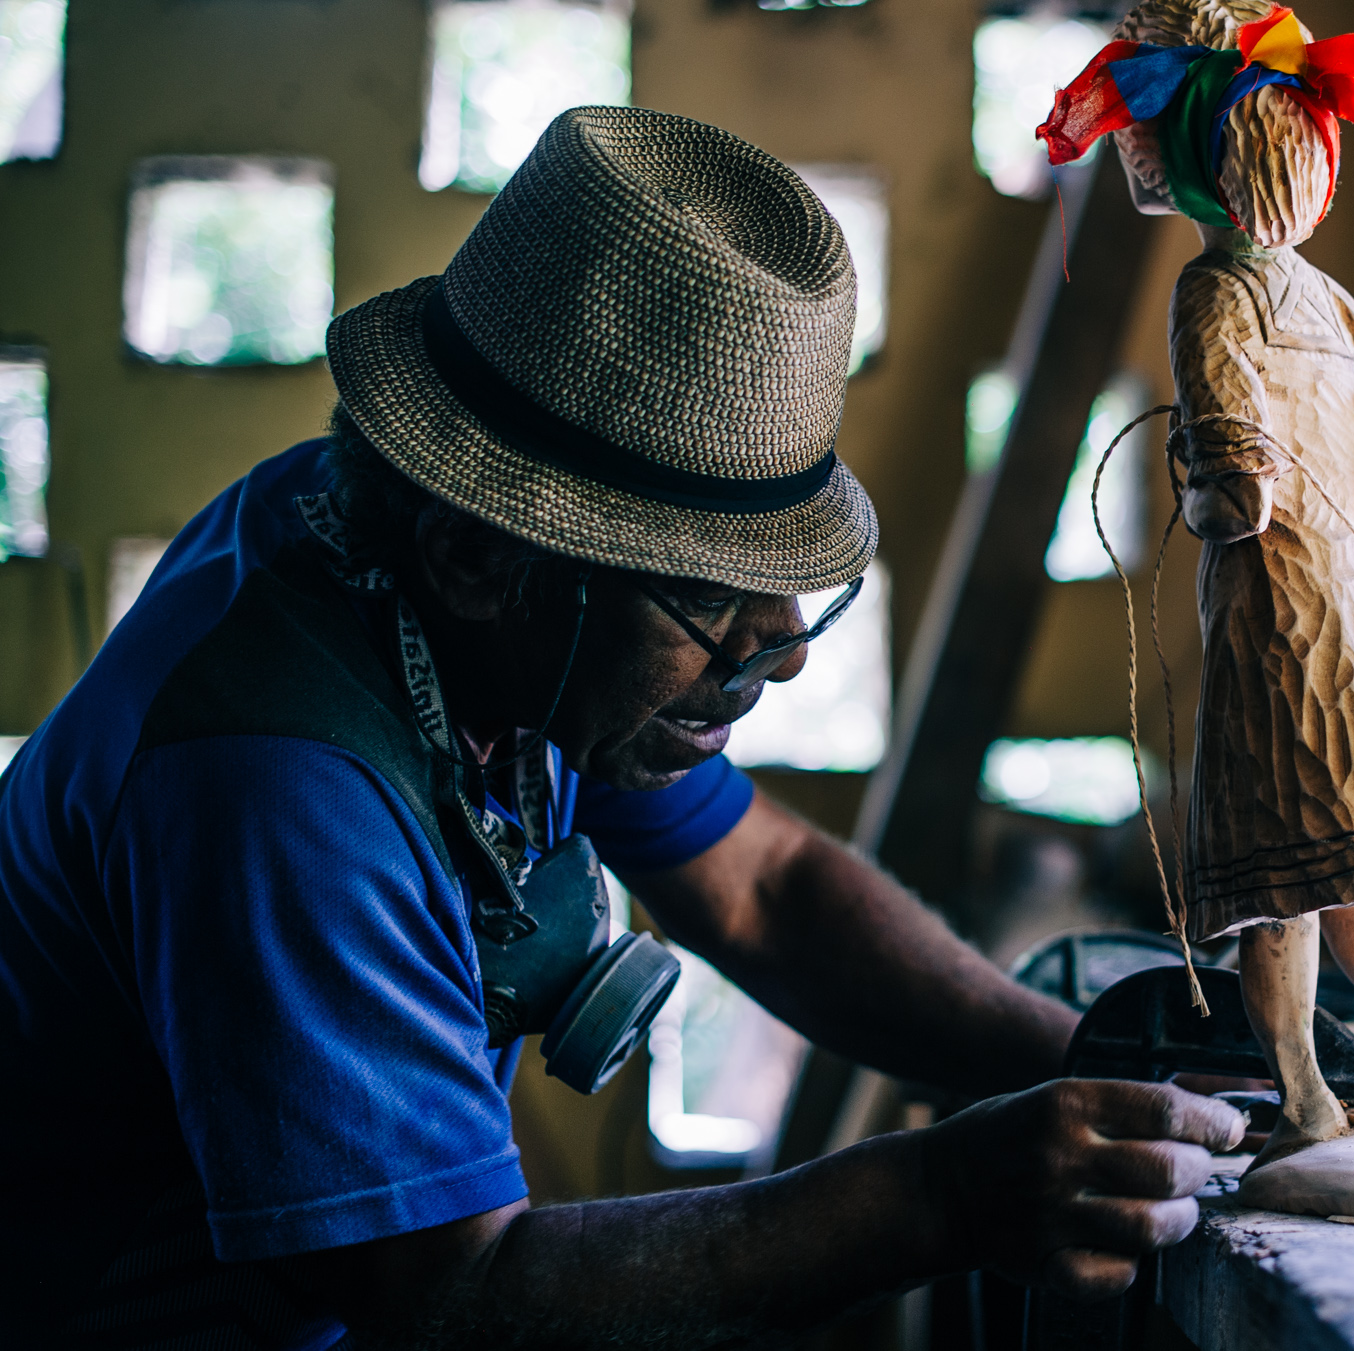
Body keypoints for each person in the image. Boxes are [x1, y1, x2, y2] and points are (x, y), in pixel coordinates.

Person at [0, 107, 1240, 1349]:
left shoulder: (450, 583)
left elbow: (764, 888)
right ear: (477, 554)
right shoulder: (277, 787)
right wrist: (939, 1192)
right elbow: (453, 1295)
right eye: (707, 592)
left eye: (788, 584)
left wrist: (1114, 1073)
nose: (787, 647)